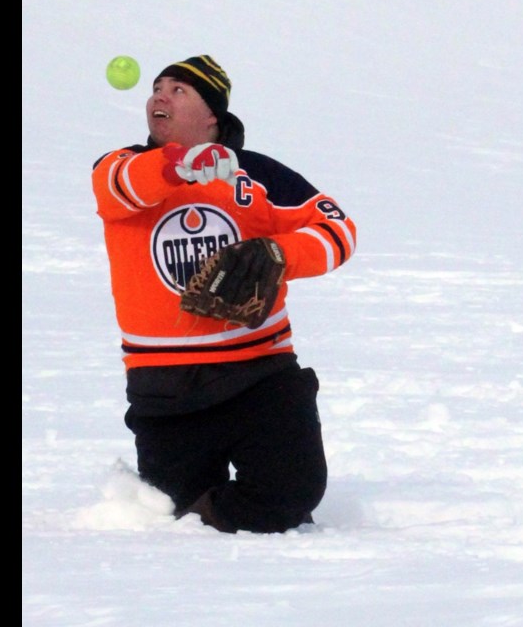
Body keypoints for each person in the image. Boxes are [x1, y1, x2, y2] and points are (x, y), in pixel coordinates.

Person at [91, 55, 357, 533]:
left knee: (289, 496)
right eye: (157, 88)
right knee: (168, 512)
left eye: (179, 90)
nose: (159, 96)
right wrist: (178, 165)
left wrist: (278, 256)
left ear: (211, 114)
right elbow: (119, 187)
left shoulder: (259, 176)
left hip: (259, 373)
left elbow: (338, 230)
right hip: (166, 390)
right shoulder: (122, 167)